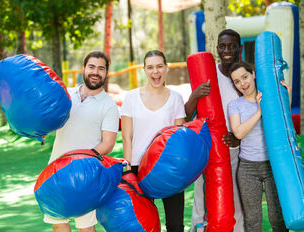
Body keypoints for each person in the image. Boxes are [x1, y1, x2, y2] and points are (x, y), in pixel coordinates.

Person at [44, 51, 120, 232]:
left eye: (101, 68)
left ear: (106, 72)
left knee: (86, 227)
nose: (96, 72)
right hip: (56, 169)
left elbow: (108, 144)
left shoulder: (108, 105)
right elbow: (49, 120)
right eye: (92, 67)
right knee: (59, 223)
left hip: (86, 174)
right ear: (83, 69)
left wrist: (80, 160)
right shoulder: (66, 95)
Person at [121, 50, 186, 232]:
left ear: (166, 68)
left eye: (159, 66)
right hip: (137, 168)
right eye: (150, 67)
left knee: (175, 225)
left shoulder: (176, 98)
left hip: (168, 168)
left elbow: (178, 138)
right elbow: (127, 137)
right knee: (143, 224)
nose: (155, 72)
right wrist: (128, 170)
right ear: (144, 70)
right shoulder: (131, 98)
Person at [187, 29, 245, 232]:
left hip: (235, 150)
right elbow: (186, 116)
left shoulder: (244, 77)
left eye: (231, 46)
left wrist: (239, 138)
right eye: (222, 46)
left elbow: (256, 112)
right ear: (217, 49)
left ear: (240, 48)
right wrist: (195, 96)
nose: (227, 50)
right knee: (202, 200)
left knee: (235, 200)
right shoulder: (209, 74)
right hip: (209, 149)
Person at [227, 61, 288, 232]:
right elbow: (238, 133)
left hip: (272, 165)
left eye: (245, 77)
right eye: (237, 81)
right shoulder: (235, 105)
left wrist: (286, 98)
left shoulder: (270, 97)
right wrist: (259, 112)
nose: (243, 84)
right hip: (247, 168)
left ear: (253, 74)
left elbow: (284, 124)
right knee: (253, 220)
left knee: (277, 217)